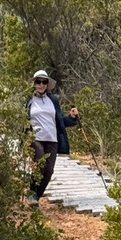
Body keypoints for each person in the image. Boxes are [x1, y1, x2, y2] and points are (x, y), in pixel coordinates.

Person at [25, 70, 79, 204]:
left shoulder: (53, 100)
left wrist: (72, 117)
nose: (41, 85)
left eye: (44, 82)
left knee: (49, 171)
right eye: (38, 81)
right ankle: (31, 194)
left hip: (52, 140)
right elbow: (23, 119)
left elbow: (60, 121)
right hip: (36, 138)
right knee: (39, 164)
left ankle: (36, 195)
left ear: (47, 84)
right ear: (34, 83)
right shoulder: (29, 100)